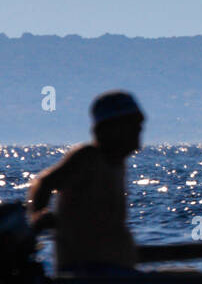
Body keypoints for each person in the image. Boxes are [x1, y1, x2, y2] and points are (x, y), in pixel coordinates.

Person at [26, 91, 145, 274]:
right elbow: (44, 183)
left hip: (119, 272)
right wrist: (38, 216)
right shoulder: (88, 158)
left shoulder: (118, 165)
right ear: (108, 129)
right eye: (131, 125)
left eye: (139, 124)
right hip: (88, 273)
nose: (138, 130)